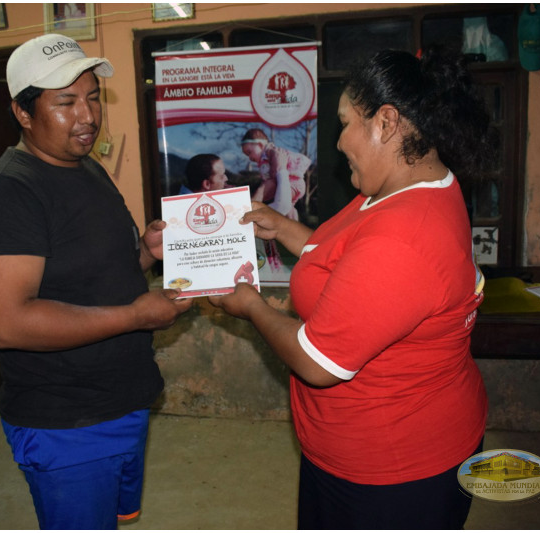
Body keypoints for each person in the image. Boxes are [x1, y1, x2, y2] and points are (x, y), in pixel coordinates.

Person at [209, 47, 493, 529]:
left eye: (345, 123)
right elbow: (342, 254)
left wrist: (253, 307)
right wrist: (284, 228)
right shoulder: (399, 188)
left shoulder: (406, 237)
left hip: (394, 472)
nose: (339, 142)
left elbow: (318, 364)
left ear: (386, 122)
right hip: (358, 452)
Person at [0, 33, 193, 530]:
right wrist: (135, 316)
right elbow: (7, 323)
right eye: (66, 102)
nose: (87, 116)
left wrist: (145, 254)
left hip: (122, 402)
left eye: (92, 97)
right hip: (66, 424)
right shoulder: (7, 193)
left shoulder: (86, 169)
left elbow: (92, 274)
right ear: (23, 113)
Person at [240, 128, 311, 221]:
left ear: (260, 145)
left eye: (249, 152)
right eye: (247, 155)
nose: (249, 157)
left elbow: (277, 163)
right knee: (289, 209)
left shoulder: (270, 151)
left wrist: (274, 173)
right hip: (291, 183)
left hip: (292, 181)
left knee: (283, 204)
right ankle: (294, 222)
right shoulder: (263, 161)